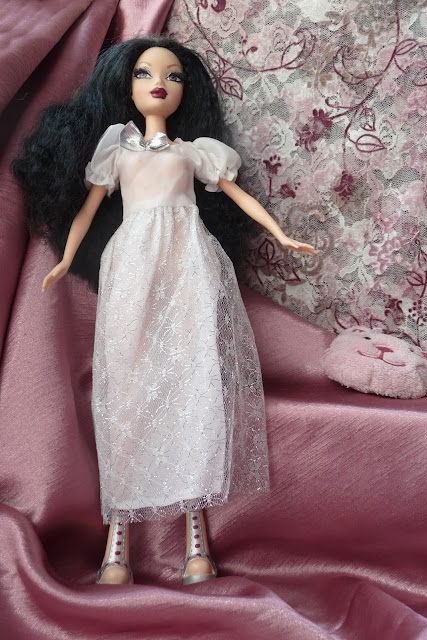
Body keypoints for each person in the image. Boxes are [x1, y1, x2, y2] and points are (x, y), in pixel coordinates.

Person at [13, 36, 316, 586]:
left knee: (193, 382)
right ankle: (117, 547)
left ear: (186, 91)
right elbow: (87, 212)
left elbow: (237, 195)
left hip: (188, 264)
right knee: (126, 387)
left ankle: (197, 542)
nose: (159, 83)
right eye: (145, 74)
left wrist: (280, 233)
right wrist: (66, 261)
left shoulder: (193, 152)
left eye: (173, 75)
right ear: (124, 85)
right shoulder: (118, 149)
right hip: (132, 265)